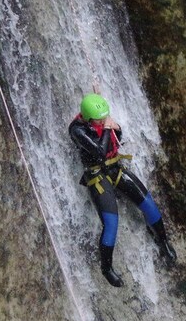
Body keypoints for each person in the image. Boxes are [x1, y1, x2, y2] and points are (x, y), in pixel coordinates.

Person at [68, 93, 177, 287]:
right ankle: (106, 269)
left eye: (104, 117)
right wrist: (109, 128)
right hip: (97, 176)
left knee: (148, 204)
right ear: (88, 118)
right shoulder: (78, 130)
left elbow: (116, 141)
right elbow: (99, 153)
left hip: (115, 168)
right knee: (111, 224)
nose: (104, 120)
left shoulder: (103, 122)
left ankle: (163, 241)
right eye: (100, 119)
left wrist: (116, 129)